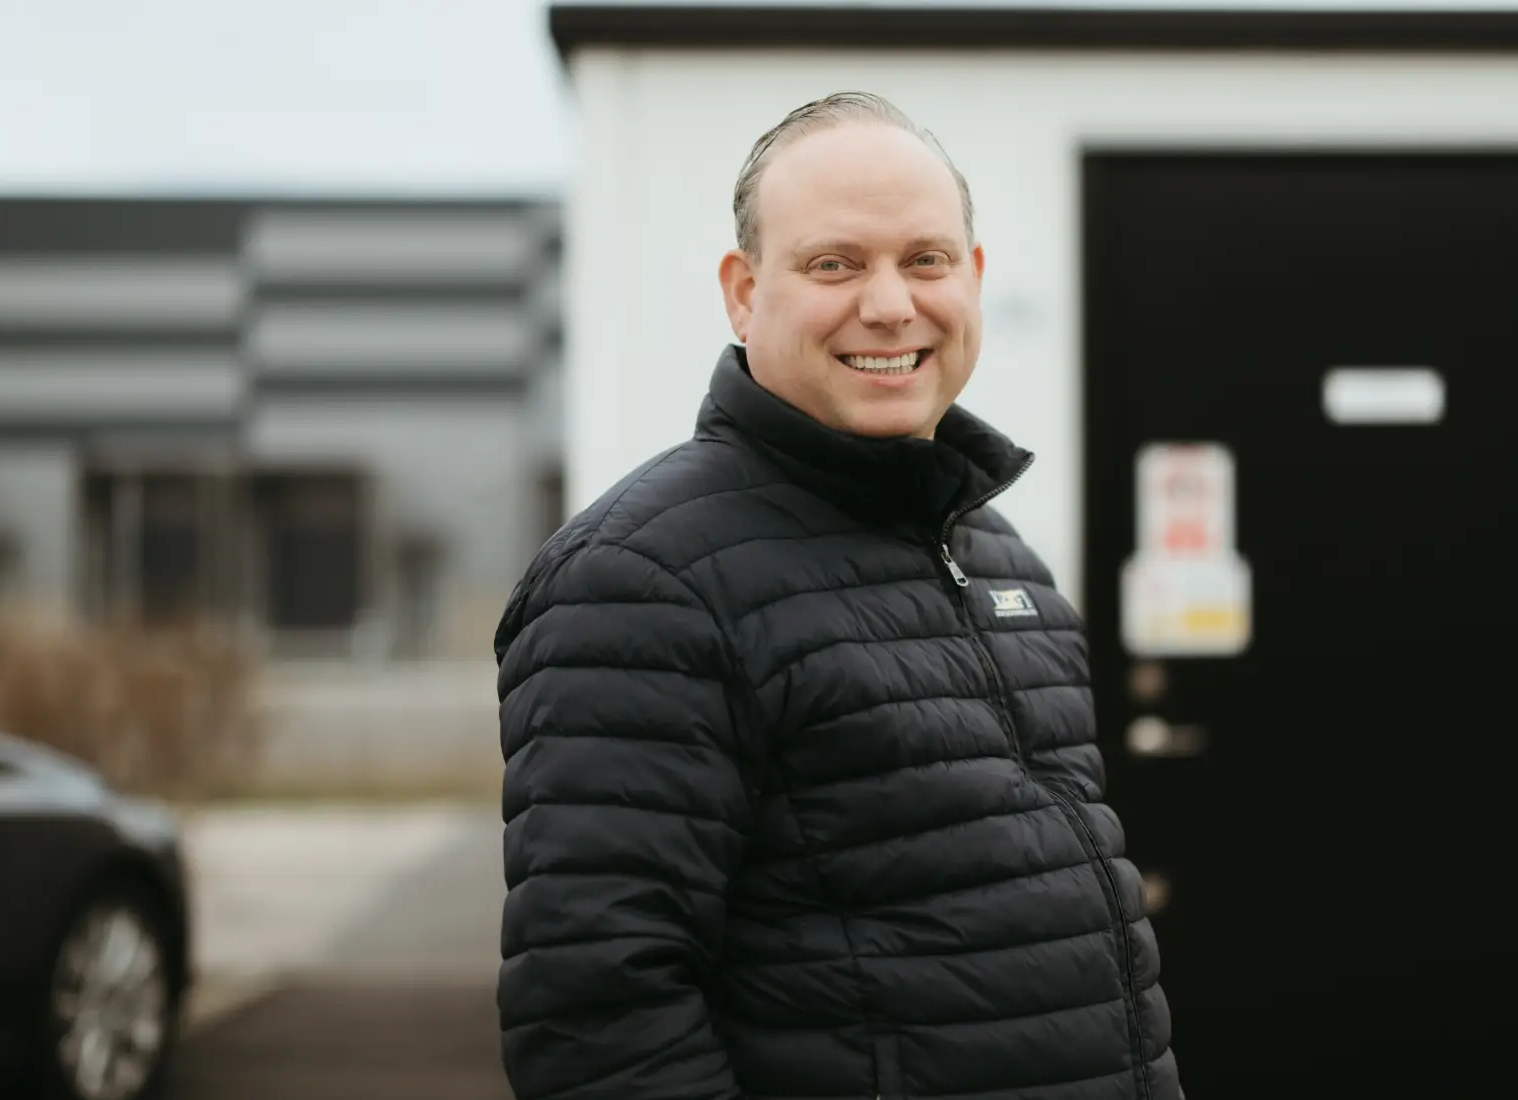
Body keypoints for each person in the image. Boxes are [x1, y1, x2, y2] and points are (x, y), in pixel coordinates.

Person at [495, 91, 1178, 1100]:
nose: (892, 303)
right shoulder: (640, 581)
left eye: (925, 259)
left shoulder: (998, 556)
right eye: (834, 264)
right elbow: (600, 1013)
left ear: (973, 278)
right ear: (742, 291)